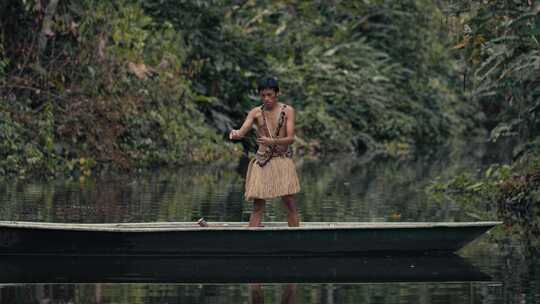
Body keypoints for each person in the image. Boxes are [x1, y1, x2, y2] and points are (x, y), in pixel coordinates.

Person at [229, 77, 301, 227]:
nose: (266, 99)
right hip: (262, 161)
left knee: (290, 205)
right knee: (257, 206)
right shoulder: (256, 112)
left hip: (282, 161)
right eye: (263, 95)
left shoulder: (287, 111)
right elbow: (243, 131)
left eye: (270, 95)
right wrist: (236, 134)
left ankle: (296, 238)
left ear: (277, 93)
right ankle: (252, 239)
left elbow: (290, 138)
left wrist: (272, 141)